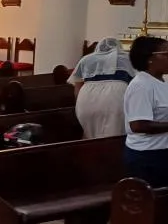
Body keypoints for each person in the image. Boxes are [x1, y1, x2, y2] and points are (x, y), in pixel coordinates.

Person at [123, 36, 168, 187]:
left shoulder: (162, 82)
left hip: (162, 152)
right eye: (166, 54)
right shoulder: (141, 85)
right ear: (150, 58)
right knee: (153, 206)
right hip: (147, 158)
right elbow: (139, 125)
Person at [69, 37, 135, 138]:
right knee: (115, 133)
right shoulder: (126, 58)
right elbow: (135, 84)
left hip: (87, 97)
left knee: (90, 134)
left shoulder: (86, 59)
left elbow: (77, 86)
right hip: (116, 96)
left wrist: (80, 104)